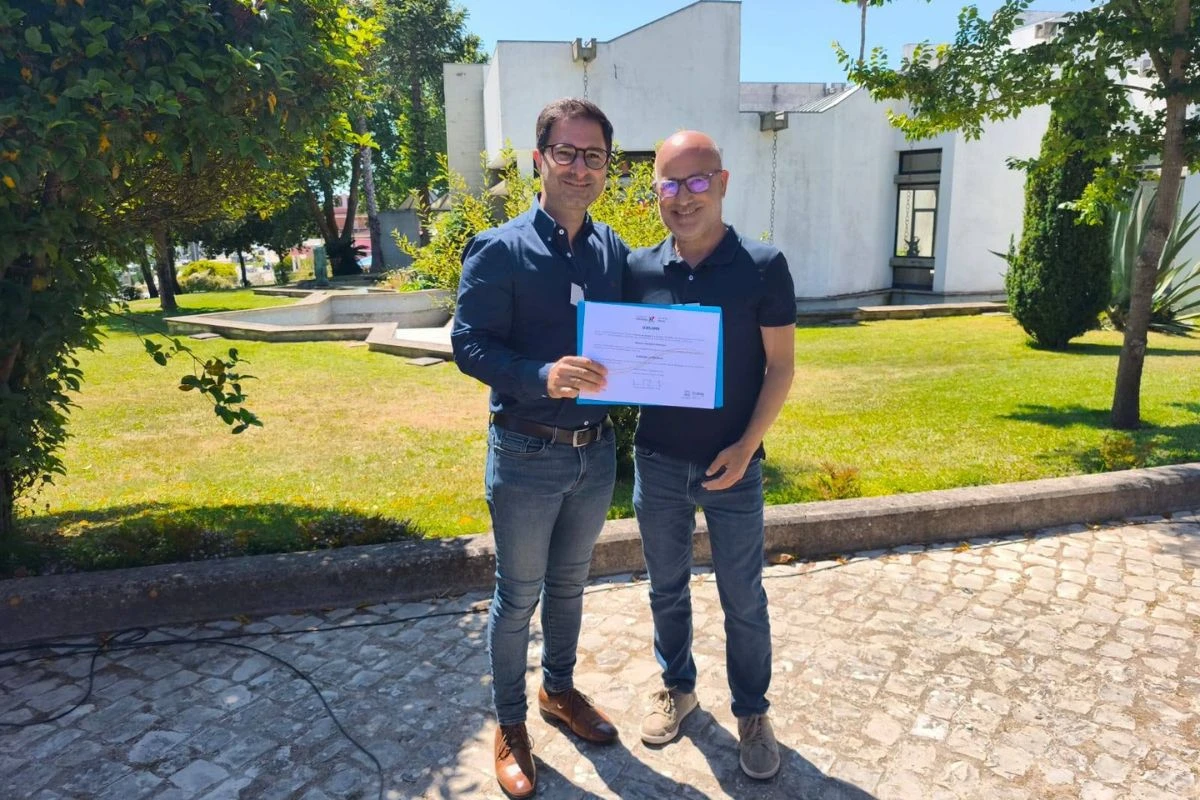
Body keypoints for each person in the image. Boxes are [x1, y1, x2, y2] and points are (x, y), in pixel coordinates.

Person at [451, 97, 627, 800]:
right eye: (566, 153)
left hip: (596, 453)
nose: (580, 167)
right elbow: (468, 343)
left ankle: (558, 691)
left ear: (607, 167)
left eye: (594, 156)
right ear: (539, 160)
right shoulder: (500, 248)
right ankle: (510, 723)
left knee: (571, 585)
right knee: (518, 594)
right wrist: (539, 375)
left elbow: (643, 329)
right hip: (527, 452)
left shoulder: (612, 251)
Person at [625, 131, 796, 780]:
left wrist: (747, 447)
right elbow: (622, 351)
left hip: (735, 466)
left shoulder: (763, 266)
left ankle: (752, 712)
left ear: (722, 184)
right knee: (665, 589)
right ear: (656, 191)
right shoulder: (639, 269)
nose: (684, 196)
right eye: (670, 183)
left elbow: (780, 368)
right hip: (658, 462)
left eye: (698, 181)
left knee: (743, 598)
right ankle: (679, 687)